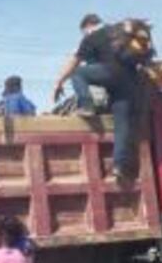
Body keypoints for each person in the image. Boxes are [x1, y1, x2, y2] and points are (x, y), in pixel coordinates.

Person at [52, 13, 139, 181]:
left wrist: (59, 82)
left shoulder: (93, 36)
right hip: (129, 82)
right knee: (121, 124)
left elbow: (74, 62)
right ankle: (119, 166)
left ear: (88, 27)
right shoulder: (119, 31)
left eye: (83, 32)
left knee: (77, 73)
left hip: (110, 73)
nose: (84, 35)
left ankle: (87, 105)